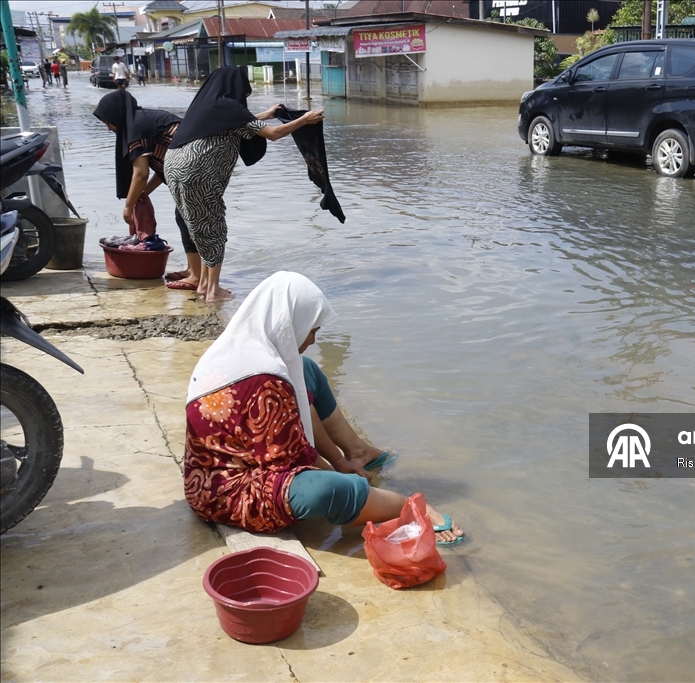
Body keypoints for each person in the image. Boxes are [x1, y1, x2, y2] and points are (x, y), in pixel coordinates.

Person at [183, 272, 464, 544]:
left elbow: (293, 426)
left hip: (213, 474)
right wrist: (339, 477)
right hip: (228, 492)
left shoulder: (239, 350)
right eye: (312, 330)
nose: (313, 340)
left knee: (304, 369)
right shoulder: (264, 381)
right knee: (328, 490)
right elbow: (289, 462)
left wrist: (339, 463)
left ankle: (357, 451)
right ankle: (412, 508)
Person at [164, 66, 324, 302]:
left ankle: (205, 284)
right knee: (214, 227)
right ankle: (212, 291)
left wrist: (265, 114)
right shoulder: (230, 107)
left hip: (173, 165)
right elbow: (274, 134)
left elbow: (237, 125)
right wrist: (304, 119)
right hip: (197, 172)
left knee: (198, 225)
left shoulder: (206, 105)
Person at [93, 90, 202, 287]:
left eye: (108, 122)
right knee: (186, 218)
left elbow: (140, 173)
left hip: (194, 171)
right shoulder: (142, 119)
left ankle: (196, 276)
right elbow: (162, 169)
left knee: (187, 219)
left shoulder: (136, 127)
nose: (109, 128)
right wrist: (143, 194)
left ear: (116, 114)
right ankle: (194, 270)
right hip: (192, 169)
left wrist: (129, 205)